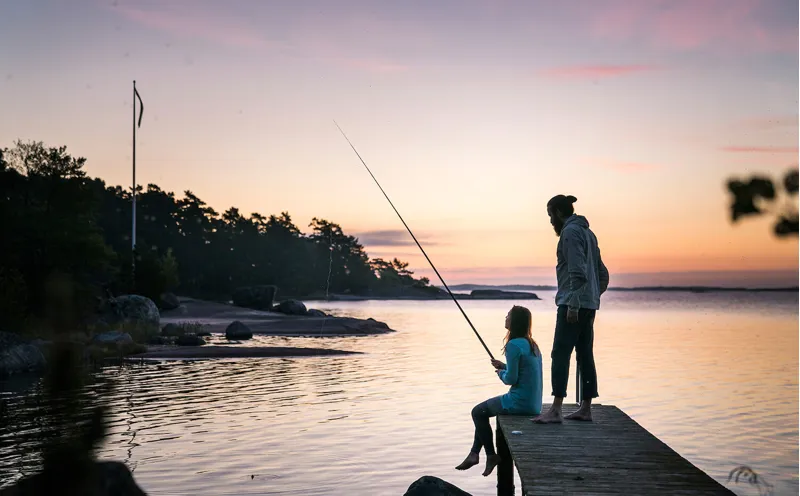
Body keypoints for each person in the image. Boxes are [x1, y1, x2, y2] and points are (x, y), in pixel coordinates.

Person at [533, 194, 609, 424]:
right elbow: (602, 274)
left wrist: (575, 303)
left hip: (572, 305)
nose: (550, 222)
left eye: (550, 216)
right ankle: (586, 408)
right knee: (585, 355)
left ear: (557, 212)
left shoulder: (570, 232)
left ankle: (556, 409)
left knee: (560, 354)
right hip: (588, 305)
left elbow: (578, 272)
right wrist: (592, 297)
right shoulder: (589, 233)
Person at [455, 305, 543, 476]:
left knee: (477, 412)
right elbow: (525, 372)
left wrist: (501, 373)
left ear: (515, 321)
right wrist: (504, 366)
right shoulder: (532, 345)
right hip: (534, 404)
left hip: (519, 403)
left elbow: (511, 379)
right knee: (483, 411)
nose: (506, 317)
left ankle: (490, 455)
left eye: (508, 315)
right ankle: (474, 454)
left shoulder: (513, 345)